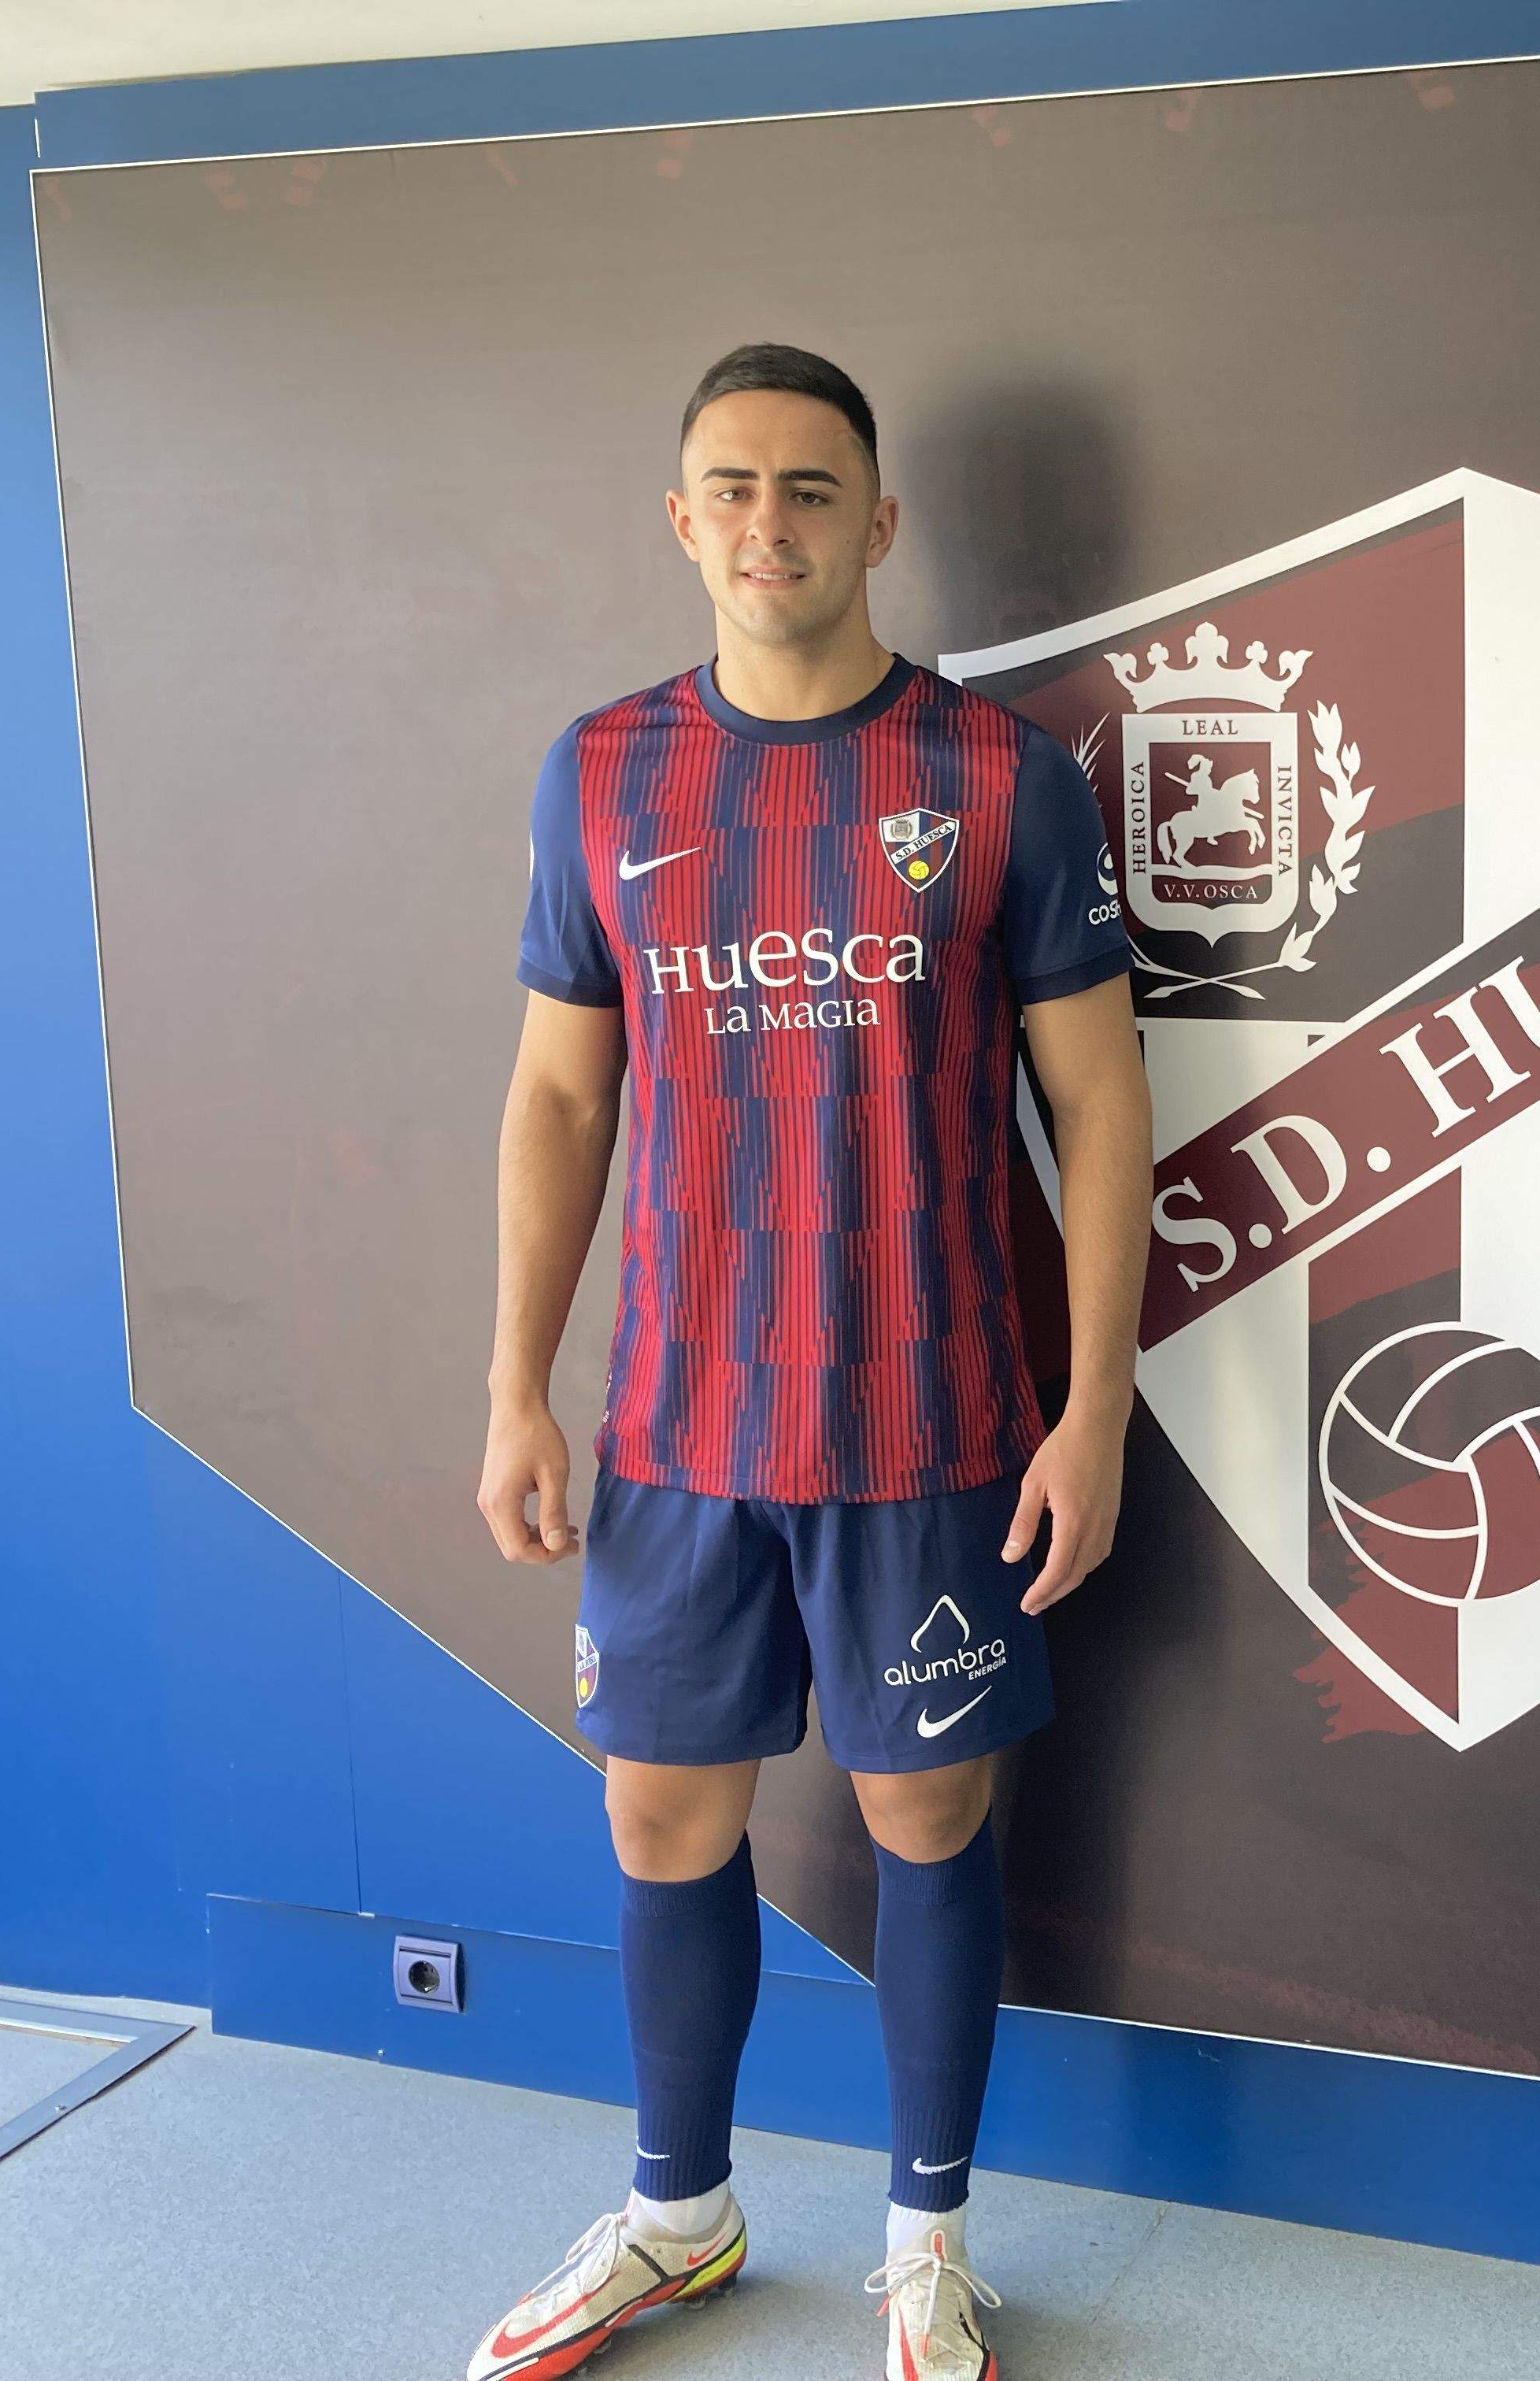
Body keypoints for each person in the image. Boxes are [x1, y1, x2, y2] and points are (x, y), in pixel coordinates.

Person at [471, 343, 1149, 2381]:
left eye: (812, 486)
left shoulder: (1000, 778)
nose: (773, 523)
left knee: (929, 1825)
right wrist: (518, 1381)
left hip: (930, 1419)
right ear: (686, 523)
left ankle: (926, 2246)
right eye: (734, 488)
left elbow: (1102, 1107)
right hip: (682, 1425)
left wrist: (1094, 1403)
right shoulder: (600, 776)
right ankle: (682, 2218)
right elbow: (559, 1101)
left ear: (877, 521)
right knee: (664, 1827)